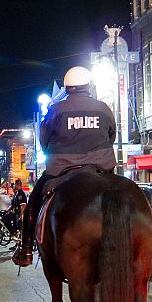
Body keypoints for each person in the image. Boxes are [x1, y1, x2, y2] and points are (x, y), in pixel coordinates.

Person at [13, 66, 117, 266]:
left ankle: (26, 249)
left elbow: (44, 141)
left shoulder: (55, 109)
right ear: (88, 86)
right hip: (101, 167)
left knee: (34, 201)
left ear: (67, 88)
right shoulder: (103, 108)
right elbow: (112, 135)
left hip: (61, 169)